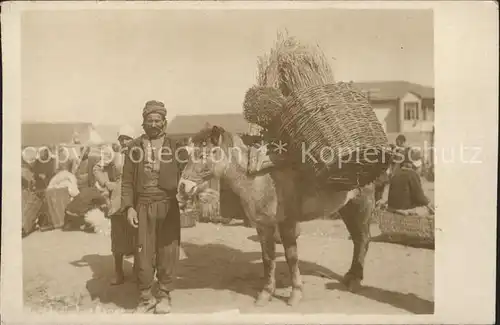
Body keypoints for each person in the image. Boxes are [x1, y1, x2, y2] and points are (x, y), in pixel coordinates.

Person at [121, 100, 182, 314]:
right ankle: (145, 297)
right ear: (143, 122)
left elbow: (188, 172)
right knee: (143, 253)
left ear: (164, 122)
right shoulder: (134, 147)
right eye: (150, 120)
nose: (154, 124)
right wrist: (129, 207)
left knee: (168, 251)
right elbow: (127, 181)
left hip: (168, 205)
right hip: (143, 206)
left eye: (158, 120)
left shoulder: (176, 146)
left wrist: (186, 194)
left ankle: (164, 294)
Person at [93, 125, 137, 286]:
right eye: (122, 138)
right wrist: (106, 183)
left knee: (137, 235)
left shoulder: (140, 154)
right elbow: (96, 168)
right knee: (118, 236)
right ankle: (118, 272)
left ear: (134, 140)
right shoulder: (114, 155)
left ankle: (138, 270)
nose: (125, 141)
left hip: (137, 198)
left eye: (128, 138)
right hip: (118, 198)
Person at [383, 149, 434, 216]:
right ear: (414, 165)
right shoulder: (412, 174)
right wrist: (430, 206)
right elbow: (419, 197)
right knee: (427, 209)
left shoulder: (395, 174)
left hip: (393, 208)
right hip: (404, 209)